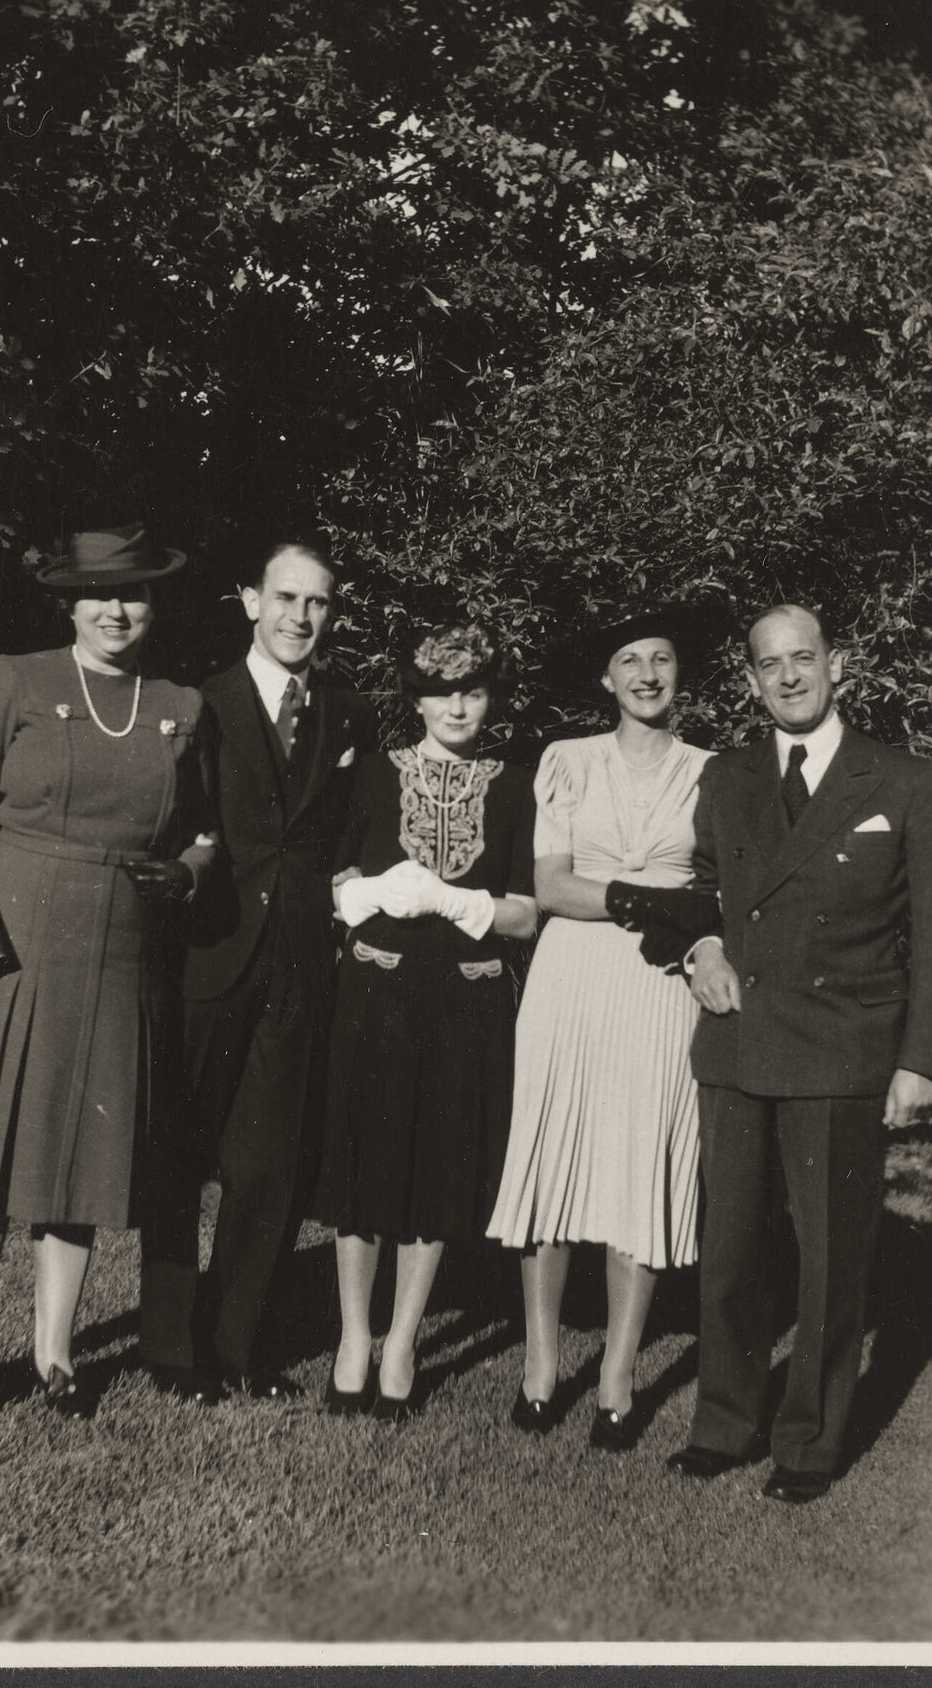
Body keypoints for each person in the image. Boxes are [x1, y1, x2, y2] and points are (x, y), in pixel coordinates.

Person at [0, 523, 217, 1418]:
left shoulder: (181, 705)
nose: (117, 610)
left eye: (134, 594)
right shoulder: (16, 679)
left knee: (79, 1156)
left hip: (118, 951)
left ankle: (55, 1352)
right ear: (69, 604)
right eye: (100, 595)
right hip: (11, 939)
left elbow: (207, 830)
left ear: (154, 606)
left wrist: (190, 872)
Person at [668, 602, 932, 1503]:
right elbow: (701, 885)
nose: (790, 676)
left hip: (842, 1047)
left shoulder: (902, 778)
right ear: (751, 679)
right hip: (739, 1039)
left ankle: (808, 1441)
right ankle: (725, 1420)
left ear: (838, 664)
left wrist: (919, 1060)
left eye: (804, 658)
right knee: (729, 1253)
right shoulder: (728, 774)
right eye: (771, 663)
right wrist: (701, 948)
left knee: (830, 1260)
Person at [138, 538, 376, 1404]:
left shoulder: (348, 713)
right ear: (250, 600)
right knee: (180, 1153)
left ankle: (237, 1343)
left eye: (317, 603)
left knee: (268, 1162)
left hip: (298, 962)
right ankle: (171, 1345)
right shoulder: (199, 704)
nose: (299, 617)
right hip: (210, 952)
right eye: (285, 597)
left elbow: (350, 834)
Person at [487, 609, 720, 1451]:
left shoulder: (714, 773)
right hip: (571, 979)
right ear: (606, 677)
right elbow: (551, 885)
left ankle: (618, 1374)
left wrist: (675, 916)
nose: (647, 674)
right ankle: (542, 1364)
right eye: (630, 659)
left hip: (660, 986)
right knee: (553, 1164)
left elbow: (715, 894)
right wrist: (647, 900)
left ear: (679, 673)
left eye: (662, 658)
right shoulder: (568, 759)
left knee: (640, 1170)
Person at [314, 622, 538, 1421]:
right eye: (442, 692)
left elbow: (526, 913)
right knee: (365, 1166)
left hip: (466, 1000)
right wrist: (373, 892)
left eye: (473, 691)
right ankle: (353, 1336)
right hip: (377, 992)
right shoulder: (374, 774)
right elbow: (330, 879)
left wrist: (450, 898)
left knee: (437, 1170)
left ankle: (403, 1340)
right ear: (416, 699)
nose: (458, 707)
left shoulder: (516, 785)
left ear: (491, 698)